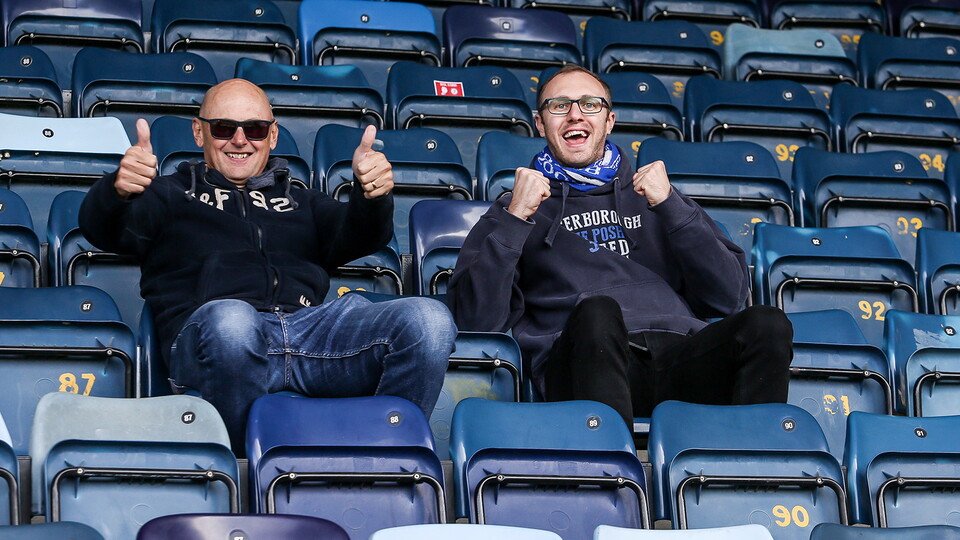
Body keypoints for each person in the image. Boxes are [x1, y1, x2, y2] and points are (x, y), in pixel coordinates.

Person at [80, 79, 457, 452]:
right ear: (199, 133)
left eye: (255, 129)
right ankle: (244, 470)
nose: (240, 140)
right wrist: (117, 190)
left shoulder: (302, 200)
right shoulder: (167, 194)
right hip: (216, 338)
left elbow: (361, 235)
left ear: (273, 136)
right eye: (224, 128)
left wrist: (371, 196)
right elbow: (101, 229)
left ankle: (389, 453)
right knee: (232, 321)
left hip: (310, 334)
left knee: (429, 319)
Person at [448, 66, 792, 429]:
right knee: (598, 312)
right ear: (539, 122)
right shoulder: (516, 207)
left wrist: (671, 205)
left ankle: (753, 470)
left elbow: (729, 297)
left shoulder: (658, 198)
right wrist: (517, 216)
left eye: (590, 105)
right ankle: (612, 473)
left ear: (609, 120)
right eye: (559, 105)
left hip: (682, 360)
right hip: (586, 359)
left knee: (766, 323)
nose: (575, 114)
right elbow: (477, 319)